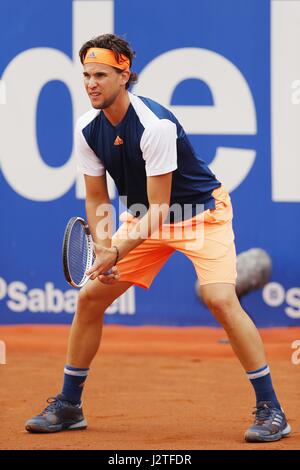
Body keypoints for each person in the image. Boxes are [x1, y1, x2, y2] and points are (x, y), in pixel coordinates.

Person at [25, 34, 291, 443]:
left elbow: (163, 209)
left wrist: (116, 251)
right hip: (142, 216)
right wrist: (102, 248)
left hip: (200, 215)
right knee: (90, 297)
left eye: (101, 74)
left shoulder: (155, 125)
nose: (91, 83)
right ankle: (69, 404)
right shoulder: (87, 128)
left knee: (220, 298)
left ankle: (272, 409)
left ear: (124, 74)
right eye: (86, 75)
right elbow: (97, 196)